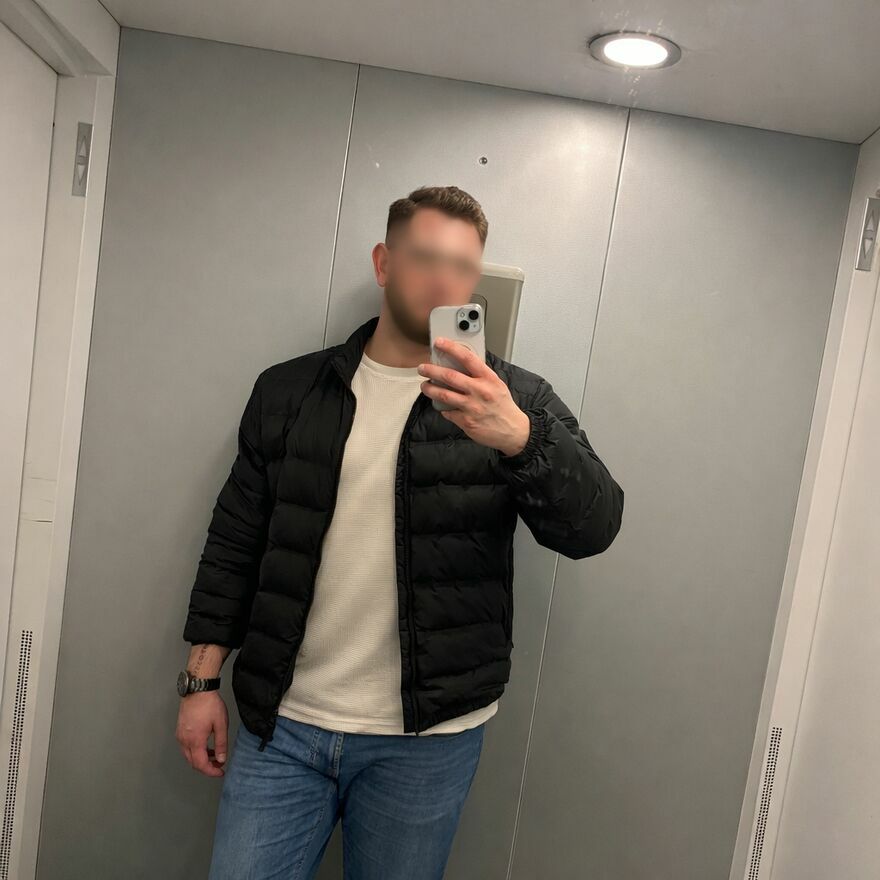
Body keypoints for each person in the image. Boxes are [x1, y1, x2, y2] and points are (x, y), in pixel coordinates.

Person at [175, 184, 624, 879]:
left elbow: (594, 525)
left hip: (428, 742)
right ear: (384, 263)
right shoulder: (290, 392)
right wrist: (200, 681)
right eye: (425, 257)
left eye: (463, 266)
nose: (444, 279)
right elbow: (237, 540)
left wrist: (521, 438)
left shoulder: (516, 400)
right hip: (283, 725)